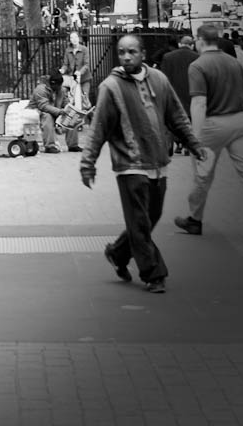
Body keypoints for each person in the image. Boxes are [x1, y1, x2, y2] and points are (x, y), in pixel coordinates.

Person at [80, 34, 205, 294]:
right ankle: (154, 273)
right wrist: (87, 163)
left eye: (132, 52)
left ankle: (117, 253)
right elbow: (99, 127)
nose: (126, 57)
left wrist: (194, 144)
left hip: (158, 163)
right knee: (139, 221)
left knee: (151, 217)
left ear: (143, 54)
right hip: (130, 164)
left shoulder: (159, 79)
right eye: (122, 52)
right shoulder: (110, 87)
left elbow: (176, 116)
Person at [173, 23, 243, 236]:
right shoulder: (234, 62)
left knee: (202, 175)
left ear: (200, 40)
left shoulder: (198, 65)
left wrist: (195, 138)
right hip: (239, 122)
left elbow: (199, 103)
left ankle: (194, 220)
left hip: (213, 126)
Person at [158, 35, 198, 152]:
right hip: (190, 92)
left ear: (180, 44)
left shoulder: (167, 57)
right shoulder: (197, 57)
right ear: (192, 45)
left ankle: (172, 145)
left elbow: (163, 77)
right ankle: (187, 146)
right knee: (189, 119)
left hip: (173, 91)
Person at [27, 69, 79, 153]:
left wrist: (70, 109)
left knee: (72, 116)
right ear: (52, 84)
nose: (59, 88)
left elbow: (65, 102)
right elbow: (43, 106)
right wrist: (59, 111)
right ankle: (49, 146)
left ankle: (73, 145)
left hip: (55, 112)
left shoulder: (61, 90)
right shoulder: (40, 89)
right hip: (37, 113)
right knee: (47, 116)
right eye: (57, 86)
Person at [61, 31, 91, 109]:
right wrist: (63, 69)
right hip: (72, 80)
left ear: (79, 38)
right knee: (72, 98)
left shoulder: (84, 49)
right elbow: (65, 64)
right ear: (70, 40)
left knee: (85, 99)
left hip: (84, 78)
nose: (74, 39)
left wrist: (80, 72)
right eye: (72, 37)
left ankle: (87, 114)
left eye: (75, 37)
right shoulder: (68, 50)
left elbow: (86, 64)